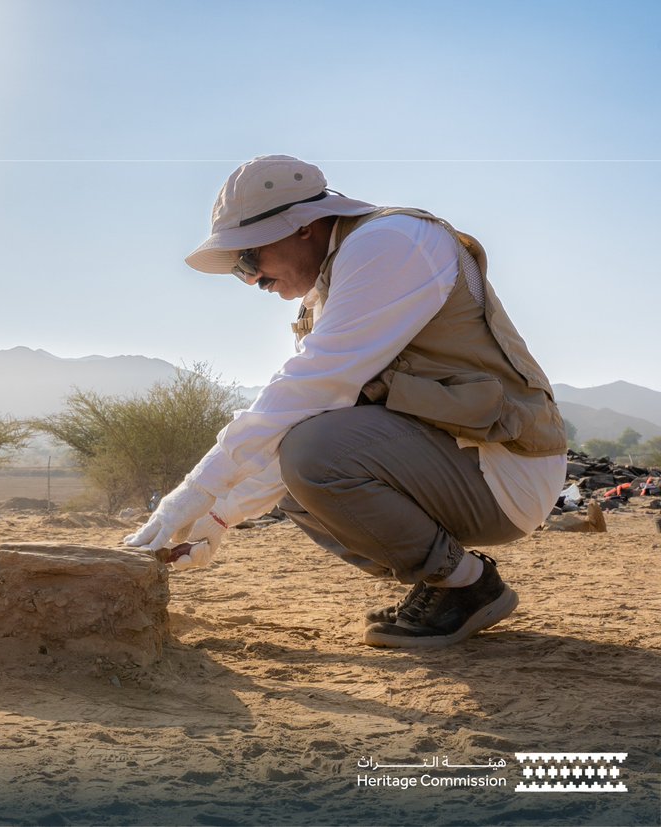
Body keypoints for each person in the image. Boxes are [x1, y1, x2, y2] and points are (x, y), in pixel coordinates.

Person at [123, 155, 567, 649]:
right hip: (459, 461)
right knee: (295, 456)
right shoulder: (329, 291)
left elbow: (310, 391)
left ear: (303, 228)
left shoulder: (389, 243)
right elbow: (297, 420)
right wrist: (215, 521)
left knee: (312, 451)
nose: (253, 280)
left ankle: (465, 585)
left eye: (249, 260)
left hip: (503, 468)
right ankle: (448, 580)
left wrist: (191, 492)